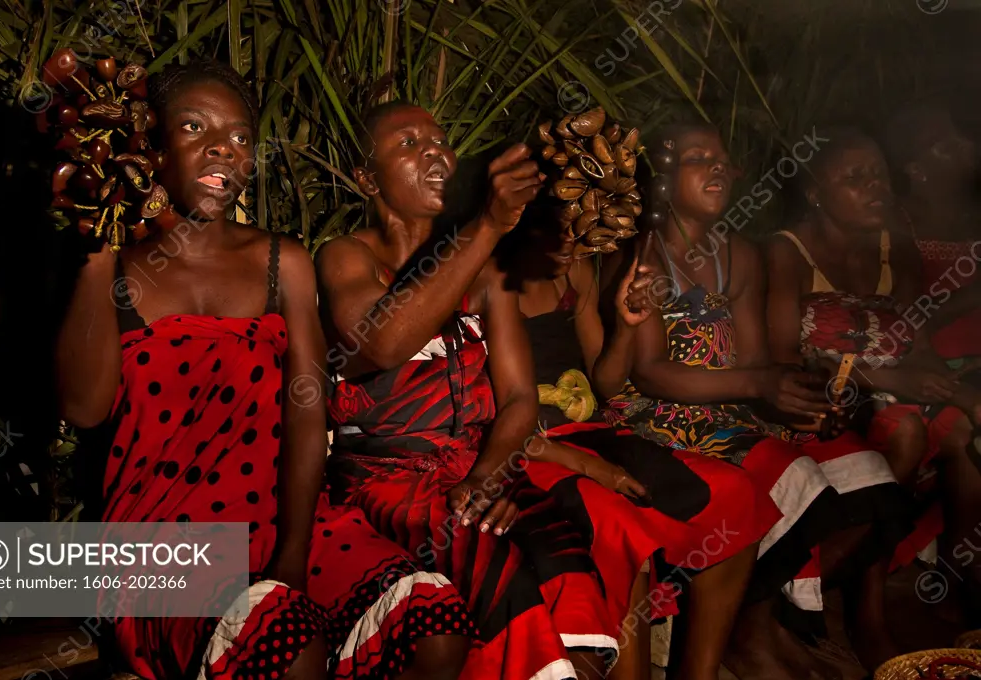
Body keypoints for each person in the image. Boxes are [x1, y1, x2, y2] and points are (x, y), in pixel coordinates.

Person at [55, 62, 473, 680]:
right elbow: (84, 409)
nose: (224, 146)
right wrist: (96, 244)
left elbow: (308, 415)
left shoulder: (283, 262)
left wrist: (293, 553)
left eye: (241, 136)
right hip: (162, 543)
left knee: (433, 626)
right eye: (195, 126)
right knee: (286, 646)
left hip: (283, 517)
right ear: (153, 149)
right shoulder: (114, 273)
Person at [315, 101, 620, 680]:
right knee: (501, 578)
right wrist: (488, 226)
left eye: (440, 139)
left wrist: (485, 480)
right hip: (388, 482)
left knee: (566, 558)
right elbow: (383, 345)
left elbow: (519, 400)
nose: (435, 151)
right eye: (408, 144)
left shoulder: (484, 270)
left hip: (473, 469)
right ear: (366, 178)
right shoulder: (344, 257)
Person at [611, 122, 909, 679]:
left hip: (728, 408)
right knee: (793, 478)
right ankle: (742, 638)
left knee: (868, 478)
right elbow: (649, 374)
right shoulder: (643, 255)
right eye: (700, 158)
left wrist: (795, 399)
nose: (719, 167)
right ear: (662, 182)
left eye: (723, 157)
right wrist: (757, 389)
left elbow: (752, 364)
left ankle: (750, 623)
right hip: (659, 415)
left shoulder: (739, 255)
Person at [500, 207, 775, 680]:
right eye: (554, 226)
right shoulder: (488, 283)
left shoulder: (577, 273)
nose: (570, 238)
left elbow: (606, 384)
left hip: (588, 432)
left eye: (575, 225)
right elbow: (496, 416)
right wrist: (595, 469)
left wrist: (627, 326)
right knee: (620, 522)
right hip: (525, 448)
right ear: (515, 219)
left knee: (734, 493)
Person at [766, 126, 981, 630]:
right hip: (822, 399)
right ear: (816, 193)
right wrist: (883, 377)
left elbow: (917, 343)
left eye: (879, 175)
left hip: (893, 389)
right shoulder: (786, 252)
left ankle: (962, 562)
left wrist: (963, 392)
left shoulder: (895, 249)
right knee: (903, 428)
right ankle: (864, 609)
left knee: (963, 427)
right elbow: (784, 360)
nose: (876, 188)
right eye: (855, 178)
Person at [885, 105, 981, 370]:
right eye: (947, 145)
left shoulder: (972, 215)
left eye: (960, 136)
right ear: (916, 170)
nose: (967, 145)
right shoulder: (895, 221)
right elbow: (898, 325)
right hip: (930, 376)